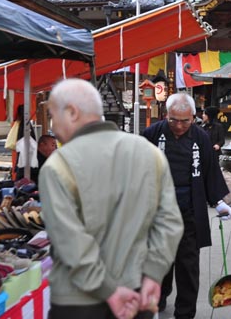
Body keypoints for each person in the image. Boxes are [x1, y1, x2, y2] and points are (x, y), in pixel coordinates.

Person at [38, 79, 184, 319]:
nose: (53, 125)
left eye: (53, 115)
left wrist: (109, 290)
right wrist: (153, 274)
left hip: (80, 298)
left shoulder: (59, 165)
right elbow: (170, 222)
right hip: (137, 288)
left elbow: (69, 241)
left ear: (72, 112)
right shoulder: (150, 153)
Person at [142, 92, 231, 319]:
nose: (179, 125)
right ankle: (158, 298)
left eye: (185, 120)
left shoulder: (201, 138)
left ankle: (185, 311)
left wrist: (219, 201)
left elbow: (210, 172)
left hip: (189, 208)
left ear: (193, 117)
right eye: (174, 120)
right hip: (157, 210)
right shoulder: (151, 135)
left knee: (188, 263)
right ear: (166, 115)